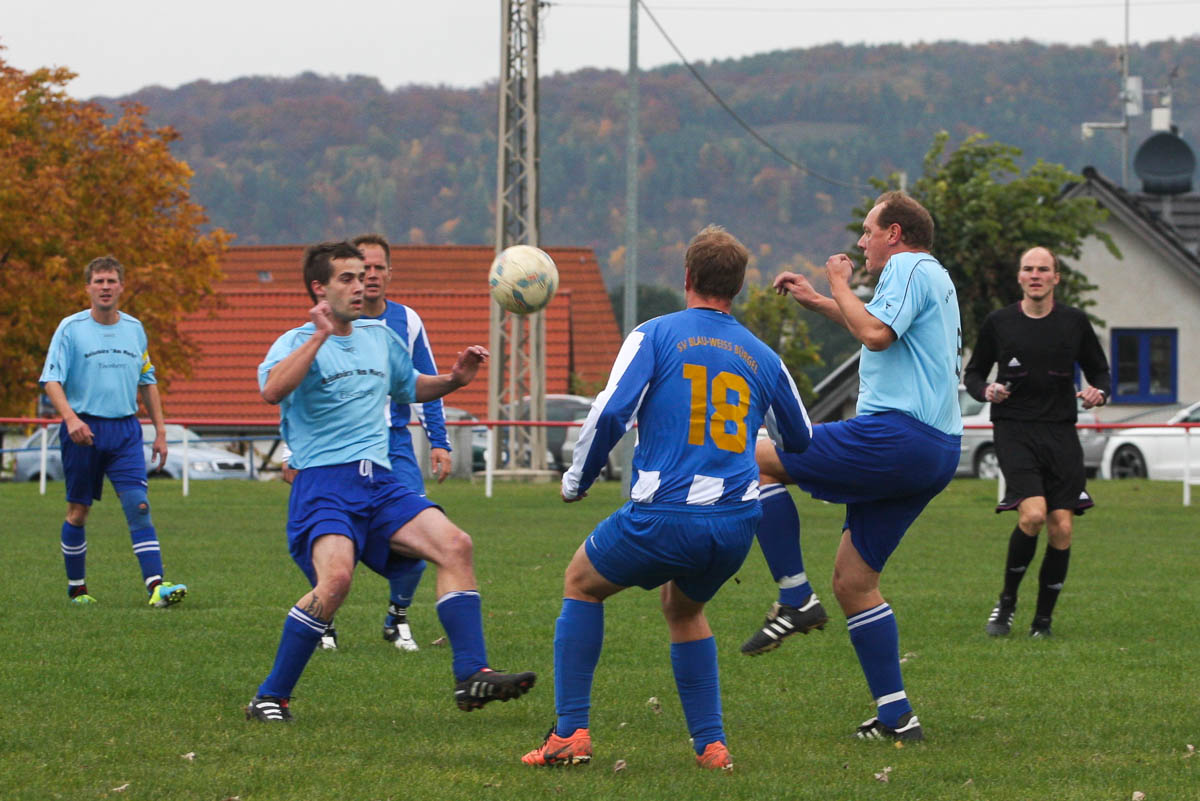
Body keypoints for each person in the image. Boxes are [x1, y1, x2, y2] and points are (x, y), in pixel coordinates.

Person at [521, 225, 813, 771]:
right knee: (684, 608)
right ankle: (711, 746)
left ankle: (568, 735)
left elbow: (611, 411)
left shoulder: (654, 335)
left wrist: (575, 482)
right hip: (734, 526)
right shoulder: (764, 356)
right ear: (739, 288)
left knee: (581, 584)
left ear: (686, 277)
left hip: (664, 516)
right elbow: (801, 440)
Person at [245, 241, 534, 722]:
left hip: (379, 482)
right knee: (335, 581)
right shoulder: (296, 341)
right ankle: (270, 697)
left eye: (362, 276)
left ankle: (471, 675)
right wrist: (318, 338)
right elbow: (271, 390)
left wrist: (454, 379)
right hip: (324, 484)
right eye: (346, 278)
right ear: (318, 288)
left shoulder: (380, 338)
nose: (360, 286)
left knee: (455, 545)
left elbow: (410, 386)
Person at [742, 192, 962, 742]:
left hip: (899, 437)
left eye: (866, 232)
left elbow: (874, 334)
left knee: (757, 460)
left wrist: (837, 279)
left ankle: (794, 599)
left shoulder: (909, 265)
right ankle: (897, 719)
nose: (859, 244)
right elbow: (876, 325)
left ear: (895, 233)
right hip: (929, 448)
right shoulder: (924, 275)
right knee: (855, 582)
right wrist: (819, 298)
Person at [283, 233, 451, 653]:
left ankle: (399, 616)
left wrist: (439, 441)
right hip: (333, 458)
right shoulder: (311, 334)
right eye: (359, 272)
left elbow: (420, 382)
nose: (367, 279)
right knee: (334, 556)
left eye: (375, 270)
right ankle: (323, 618)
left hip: (392, 444)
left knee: (432, 539)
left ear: (389, 274)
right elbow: (293, 398)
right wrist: (290, 453)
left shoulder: (405, 322)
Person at [963, 246, 1110, 639]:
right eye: (1028, 269)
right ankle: (1006, 603)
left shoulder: (1075, 323)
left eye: (1043, 270)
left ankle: (1042, 621)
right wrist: (987, 389)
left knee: (1061, 526)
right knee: (1032, 516)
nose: (1035, 275)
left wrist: (1100, 392)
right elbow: (974, 373)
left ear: (1056, 278)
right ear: (1020, 277)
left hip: (1061, 432)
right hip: (1014, 430)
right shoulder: (999, 323)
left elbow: (1100, 371)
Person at [39, 256, 188, 608]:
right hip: (83, 430)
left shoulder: (135, 329)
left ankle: (156, 587)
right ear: (88, 287)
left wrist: (161, 432)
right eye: (99, 281)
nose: (105, 287)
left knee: (139, 505)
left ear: (121, 286)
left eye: (111, 281)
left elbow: (148, 382)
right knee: (78, 511)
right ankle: (77, 589)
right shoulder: (70, 328)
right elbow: (51, 380)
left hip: (125, 431)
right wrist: (72, 419)